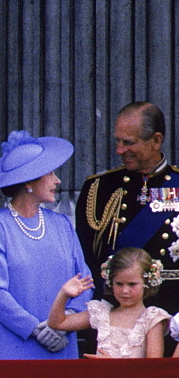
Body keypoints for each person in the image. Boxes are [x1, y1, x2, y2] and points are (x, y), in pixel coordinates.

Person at [0, 130, 90, 359]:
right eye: (50, 173)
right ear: (29, 179)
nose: (57, 180)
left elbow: (84, 280)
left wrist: (64, 319)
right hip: (12, 348)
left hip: (60, 343)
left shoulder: (62, 225)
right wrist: (35, 329)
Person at [75, 102, 179, 313]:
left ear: (156, 140)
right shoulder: (99, 188)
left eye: (129, 142)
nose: (119, 150)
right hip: (115, 314)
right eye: (118, 141)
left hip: (173, 312)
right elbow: (84, 258)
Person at [48, 248, 169, 359]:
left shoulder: (151, 319)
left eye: (132, 284)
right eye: (119, 284)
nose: (125, 291)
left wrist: (113, 366)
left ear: (146, 283)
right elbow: (57, 323)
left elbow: (153, 367)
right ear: (111, 283)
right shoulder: (102, 313)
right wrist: (64, 294)